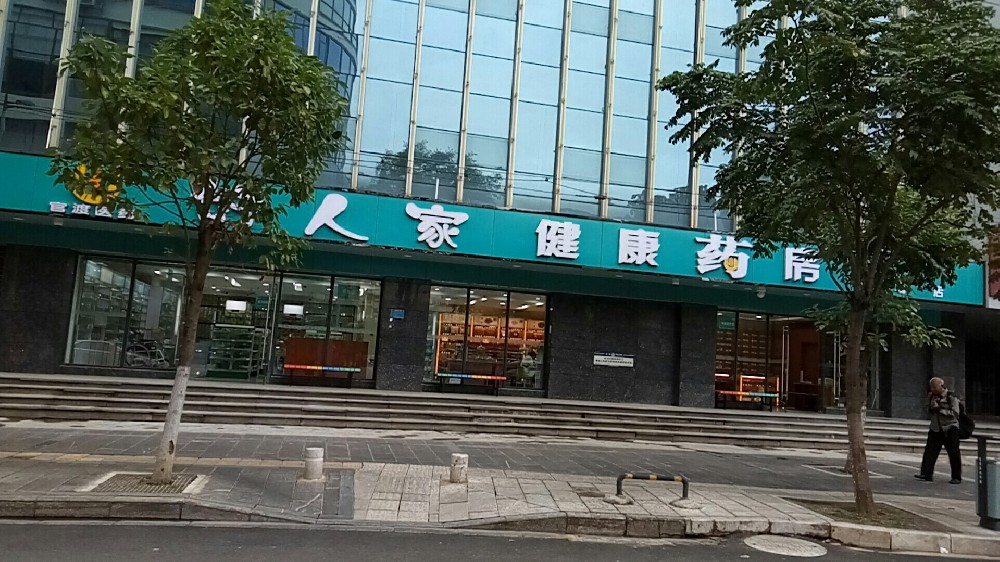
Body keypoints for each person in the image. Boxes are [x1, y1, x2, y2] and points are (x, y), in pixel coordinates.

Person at [914, 377, 962, 484]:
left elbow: (955, 413)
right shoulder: (931, 396)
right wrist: (931, 408)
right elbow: (927, 409)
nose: (933, 389)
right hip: (935, 427)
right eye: (931, 387)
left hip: (950, 428)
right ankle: (926, 473)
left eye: (935, 387)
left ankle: (956, 476)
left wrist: (940, 409)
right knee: (930, 451)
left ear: (942, 386)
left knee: (953, 453)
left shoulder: (951, 397)